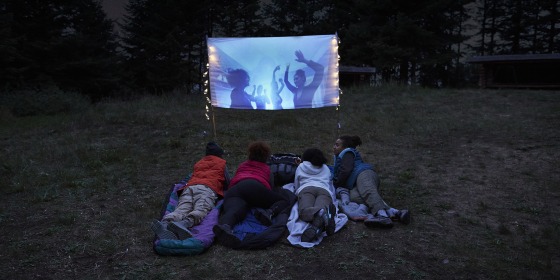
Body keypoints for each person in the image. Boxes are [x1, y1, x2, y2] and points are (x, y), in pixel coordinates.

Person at [213, 141, 293, 247]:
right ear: (266, 156)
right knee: (283, 200)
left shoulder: (242, 165)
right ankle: (269, 212)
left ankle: (225, 226)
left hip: (235, 190)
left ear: (250, 154)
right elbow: (270, 186)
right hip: (255, 186)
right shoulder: (267, 169)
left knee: (235, 210)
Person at [151, 142, 230, 240]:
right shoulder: (222, 163)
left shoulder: (199, 163)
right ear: (220, 154)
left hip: (189, 188)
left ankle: (165, 223)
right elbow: (227, 182)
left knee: (182, 208)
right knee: (201, 209)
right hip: (206, 189)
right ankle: (183, 224)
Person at [331, 135, 411, 228]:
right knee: (356, 197)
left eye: (337, 145)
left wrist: (336, 183)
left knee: (368, 191)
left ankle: (382, 216)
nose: (334, 147)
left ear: (345, 147)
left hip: (363, 173)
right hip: (355, 182)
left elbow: (346, 171)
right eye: (334, 144)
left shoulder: (347, 152)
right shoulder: (339, 158)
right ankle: (395, 212)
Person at [293, 148, 336, 242]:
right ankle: (324, 215)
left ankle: (319, 214)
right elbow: (329, 182)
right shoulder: (325, 167)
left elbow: (296, 183)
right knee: (322, 207)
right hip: (324, 190)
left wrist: (297, 192)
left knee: (305, 211)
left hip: (306, 189)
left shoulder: (301, 166)